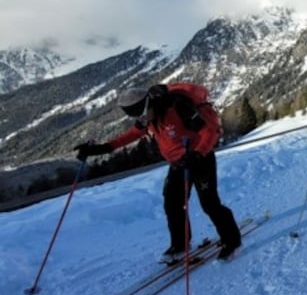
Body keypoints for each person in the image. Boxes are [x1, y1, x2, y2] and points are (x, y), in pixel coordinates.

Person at [73, 83, 242, 261]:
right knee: (172, 204)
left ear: (148, 105)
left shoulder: (178, 108)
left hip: (199, 160)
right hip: (178, 163)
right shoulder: (149, 117)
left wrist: (198, 153)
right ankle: (180, 244)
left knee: (209, 204)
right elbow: (131, 135)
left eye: (141, 115)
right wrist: (100, 149)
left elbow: (210, 130)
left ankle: (232, 241)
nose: (141, 120)